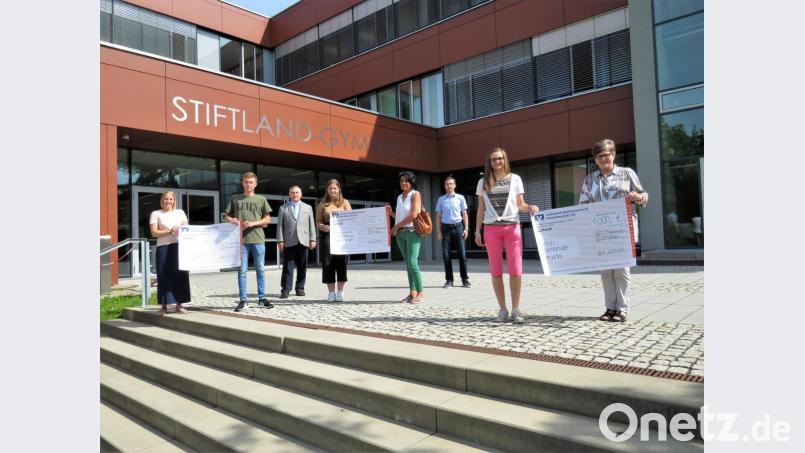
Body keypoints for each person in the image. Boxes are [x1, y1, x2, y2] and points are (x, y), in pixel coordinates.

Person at [579, 138, 648, 323]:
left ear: (613, 154)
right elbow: (583, 205)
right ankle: (610, 308)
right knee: (606, 270)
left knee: (621, 269)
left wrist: (638, 196)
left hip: (624, 229)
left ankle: (622, 309)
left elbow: (644, 196)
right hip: (600, 230)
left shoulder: (627, 173)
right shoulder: (590, 179)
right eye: (599, 156)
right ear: (595, 160)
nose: (603, 159)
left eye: (606, 154)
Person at [474, 147, 538, 324]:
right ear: (490, 162)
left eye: (500, 158)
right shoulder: (483, 182)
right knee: (496, 271)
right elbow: (481, 209)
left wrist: (530, 207)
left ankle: (516, 309)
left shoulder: (515, 179)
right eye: (494, 159)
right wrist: (477, 230)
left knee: (516, 270)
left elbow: (521, 205)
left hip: (512, 228)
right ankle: (502, 309)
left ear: (505, 160)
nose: (497, 162)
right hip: (491, 229)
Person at [224, 172, 273, 312]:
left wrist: (252, 223)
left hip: (258, 239)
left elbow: (267, 219)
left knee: (260, 270)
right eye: (246, 182)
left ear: (255, 184)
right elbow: (226, 215)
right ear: (242, 183)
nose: (248, 184)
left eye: (251, 182)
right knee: (242, 271)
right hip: (241, 240)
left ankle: (262, 299)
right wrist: (231, 219)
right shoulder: (235, 199)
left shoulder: (261, 199)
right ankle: (243, 300)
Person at [149, 191, 191, 315]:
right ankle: (163, 306)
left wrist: (181, 231)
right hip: (163, 247)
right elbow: (154, 233)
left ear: (174, 201)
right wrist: (169, 231)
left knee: (180, 274)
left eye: (171, 199)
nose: (168, 201)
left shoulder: (180, 213)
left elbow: (186, 229)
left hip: (178, 246)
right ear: (162, 200)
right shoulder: (156, 214)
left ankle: (179, 304)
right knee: (163, 275)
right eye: (166, 199)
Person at [389, 171, 425, 304]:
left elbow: (414, 215)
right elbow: (399, 217)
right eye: (401, 181)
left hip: (412, 232)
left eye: (406, 181)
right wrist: (391, 212)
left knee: (412, 262)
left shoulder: (415, 194)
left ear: (411, 182)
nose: (403, 183)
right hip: (400, 234)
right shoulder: (399, 197)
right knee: (408, 264)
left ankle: (420, 292)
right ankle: (412, 292)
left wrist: (396, 226)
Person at [316, 179, 352, 302]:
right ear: (327, 190)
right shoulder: (322, 204)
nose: (332, 190)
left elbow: (352, 218)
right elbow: (318, 221)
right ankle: (331, 292)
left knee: (341, 263)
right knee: (328, 263)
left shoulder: (345, 202)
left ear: (339, 189)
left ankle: (340, 292)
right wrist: (322, 227)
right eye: (330, 188)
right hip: (327, 236)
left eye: (335, 188)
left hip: (342, 236)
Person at [277, 185, 316, 298]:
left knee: (302, 266)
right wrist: (280, 240)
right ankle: (285, 289)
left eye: (297, 192)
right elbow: (279, 226)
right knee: (287, 267)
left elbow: (311, 224)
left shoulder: (308, 208)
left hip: (303, 241)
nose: (295, 194)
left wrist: (312, 238)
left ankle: (300, 288)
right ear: (289, 194)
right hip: (288, 241)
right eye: (292, 193)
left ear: (301, 194)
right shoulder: (283, 208)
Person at [435, 175, 470, 289]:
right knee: (446, 256)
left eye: (451, 184)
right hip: (446, 229)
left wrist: (466, 228)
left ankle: (465, 280)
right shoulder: (441, 199)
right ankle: (449, 280)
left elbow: (464, 214)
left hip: (458, 227)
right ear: (444, 186)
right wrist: (439, 231)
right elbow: (438, 216)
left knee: (462, 255)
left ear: (454, 185)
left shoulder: (460, 198)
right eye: (447, 184)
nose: (449, 186)